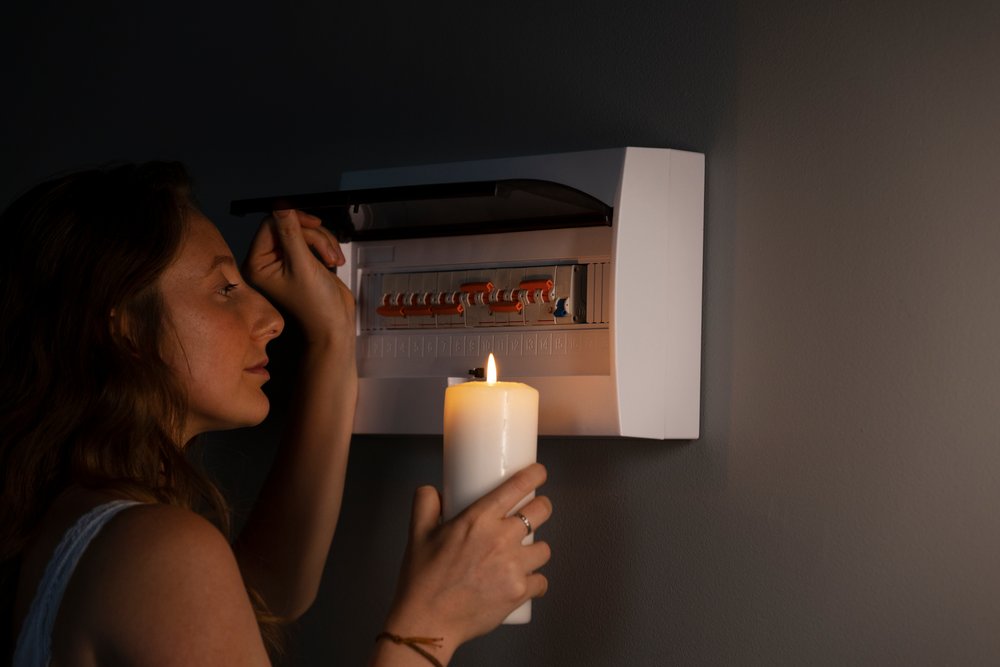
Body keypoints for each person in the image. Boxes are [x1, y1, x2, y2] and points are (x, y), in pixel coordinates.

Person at [0, 162, 553, 666]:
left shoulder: (76, 519)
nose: (271, 316)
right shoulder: (156, 547)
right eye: (223, 287)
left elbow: (265, 593)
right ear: (126, 331)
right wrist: (430, 624)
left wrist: (333, 340)